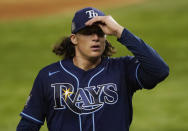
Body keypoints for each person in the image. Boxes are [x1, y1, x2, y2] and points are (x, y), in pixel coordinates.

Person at [17, 7, 169, 131]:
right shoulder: (49, 76)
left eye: (100, 33)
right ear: (74, 39)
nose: (95, 37)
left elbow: (159, 70)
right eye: (88, 33)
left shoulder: (122, 69)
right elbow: (28, 125)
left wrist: (119, 31)